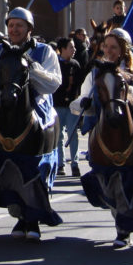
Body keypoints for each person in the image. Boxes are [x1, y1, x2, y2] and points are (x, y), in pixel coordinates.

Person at [0, 7, 62, 241]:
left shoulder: (44, 51)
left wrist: (30, 66)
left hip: (36, 102)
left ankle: (33, 217)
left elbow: (53, 83)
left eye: (19, 25)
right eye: (11, 25)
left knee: (45, 125)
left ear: (29, 28)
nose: (14, 29)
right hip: (5, 102)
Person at [70, 28, 133, 247]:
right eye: (106, 47)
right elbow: (83, 96)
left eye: (114, 47)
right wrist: (84, 103)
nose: (109, 51)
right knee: (96, 139)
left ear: (123, 50)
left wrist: (128, 91)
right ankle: (117, 216)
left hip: (131, 118)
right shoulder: (95, 73)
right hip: (104, 121)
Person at [52, 37, 82, 177]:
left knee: (73, 134)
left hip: (72, 106)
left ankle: (75, 163)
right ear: (62, 49)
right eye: (71, 47)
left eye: (74, 47)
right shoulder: (55, 64)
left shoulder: (76, 65)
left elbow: (79, 85)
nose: (74, 49)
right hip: (58, 105)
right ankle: (60, 164)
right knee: (59, 136)